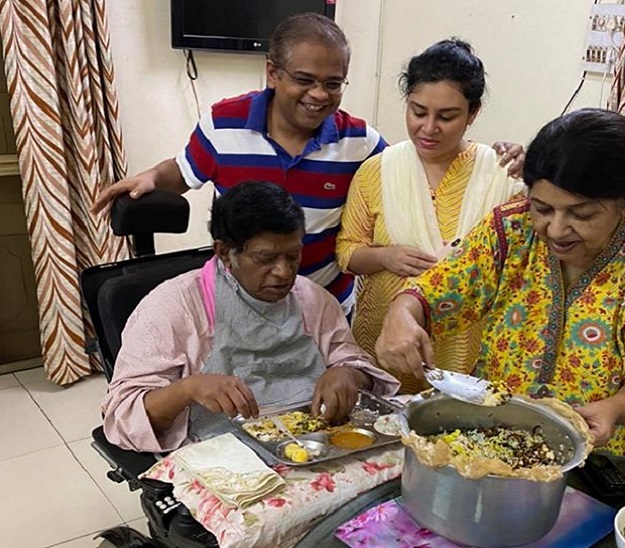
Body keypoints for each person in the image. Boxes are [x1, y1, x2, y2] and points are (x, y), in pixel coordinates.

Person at [91, 14, 523, 315]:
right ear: (272, 73)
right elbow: (184, 171)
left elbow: (421, 168)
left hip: (325, 310)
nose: (319, 94)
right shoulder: (224, 123)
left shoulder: (360, 143)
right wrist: (151, 176)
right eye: (304, 80)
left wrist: (504, 159)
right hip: (238, 304)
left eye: (333, 84)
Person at [375, 108, 625, 459]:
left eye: (582, 214)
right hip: (493, 433)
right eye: (541, 208)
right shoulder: (511, 229)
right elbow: (438, 289)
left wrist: (615, 408)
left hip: (602, 448)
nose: (556, 230)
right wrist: (402, 312)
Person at [101, 182, 399, 453]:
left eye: (293, 256)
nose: (283, 272)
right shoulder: (172, 307)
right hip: (225, 453)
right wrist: (187, 388)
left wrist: (347, 374)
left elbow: (356, 366)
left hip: (316, 443)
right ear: (225, 252)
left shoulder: (313, 299)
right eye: (265, 259)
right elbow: (122, 417)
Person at [336, 39, 524, 393]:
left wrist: (536, 171)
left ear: (473, 113)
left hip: (467, 346)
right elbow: (347, 252)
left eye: (447, 116)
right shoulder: (377, 170)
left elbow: (522, 264)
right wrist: (384, 256)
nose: (429, 127)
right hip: (384, 336)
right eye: (418, 111)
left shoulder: (500, 174)